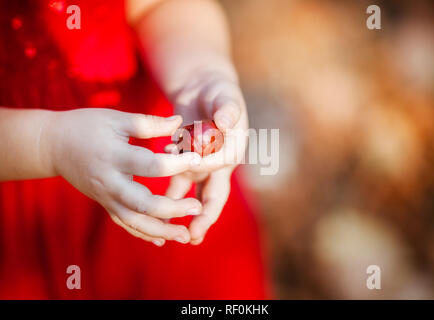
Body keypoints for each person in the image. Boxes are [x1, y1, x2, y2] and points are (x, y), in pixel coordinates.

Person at [0, 0, 268, 299]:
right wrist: (45, 143)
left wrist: (200, 74)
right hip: (21, 202)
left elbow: (160, 5)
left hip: (153, 155)